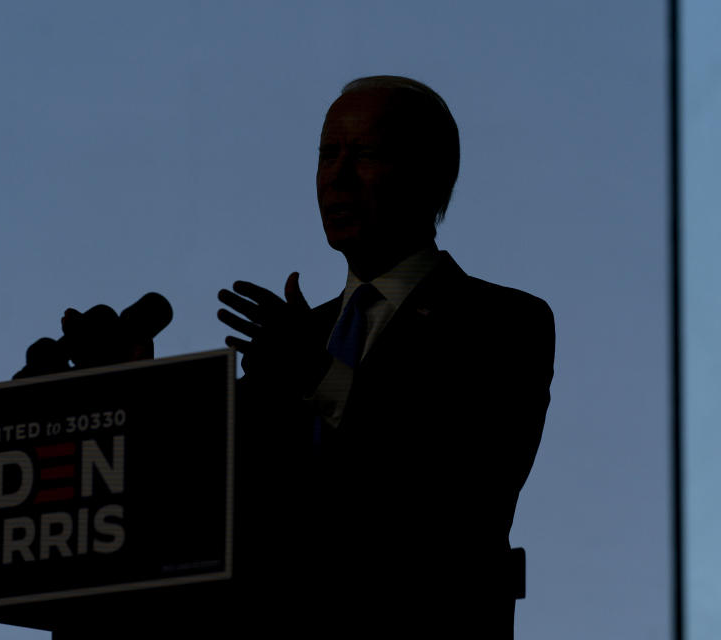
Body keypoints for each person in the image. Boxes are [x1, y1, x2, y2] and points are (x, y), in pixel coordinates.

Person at [217, 75, 555, 637]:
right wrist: (127, 389)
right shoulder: (295, 340)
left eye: (365, 154)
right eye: (328, 154)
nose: (337, 177)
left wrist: (320, 376)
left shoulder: (505, 323)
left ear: (430, 177)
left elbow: (459, 488)